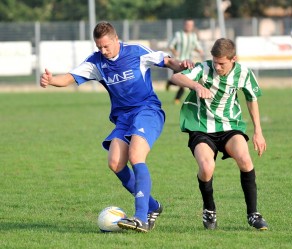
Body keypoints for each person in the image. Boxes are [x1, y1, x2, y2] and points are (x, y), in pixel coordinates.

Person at [40, 21, 193, 233]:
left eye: (106, 46)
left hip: (147, 110)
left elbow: (166, 61)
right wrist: (51, 80)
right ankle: (153, 206)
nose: (103, 51)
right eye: (99, 47)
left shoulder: (136, 52)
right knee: (115, 163)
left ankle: (141, 218)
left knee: (136, 156)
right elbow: (70, 78)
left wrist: (181, 65)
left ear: (116, 39)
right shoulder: (96, 62)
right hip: (123, 118)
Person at [170, 38, 268, 230]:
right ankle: (209, 210)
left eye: (222, 63)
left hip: (230, 126)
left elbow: (251, 99)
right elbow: (176, 77)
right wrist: (196, 86)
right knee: (207, 168)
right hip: (201, 127)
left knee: (245, 160)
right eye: (215, 61)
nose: (217, 66)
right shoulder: (204, 68)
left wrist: (258, 131)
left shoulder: (244, 73)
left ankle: (253, 214)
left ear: (234, 59)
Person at [166, 19, 204, 104]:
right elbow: (170, 45)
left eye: (191, 25)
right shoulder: (178, 34)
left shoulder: (193, 36)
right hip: (178, 62)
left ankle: (177, 98)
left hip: (189, 63)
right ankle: (172, 87)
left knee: (184, 81)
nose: (189, 26)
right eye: (187, 24)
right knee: (180, 81)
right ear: (184, 25)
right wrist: (175, 52)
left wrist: (200, 51)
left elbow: (196, 46)